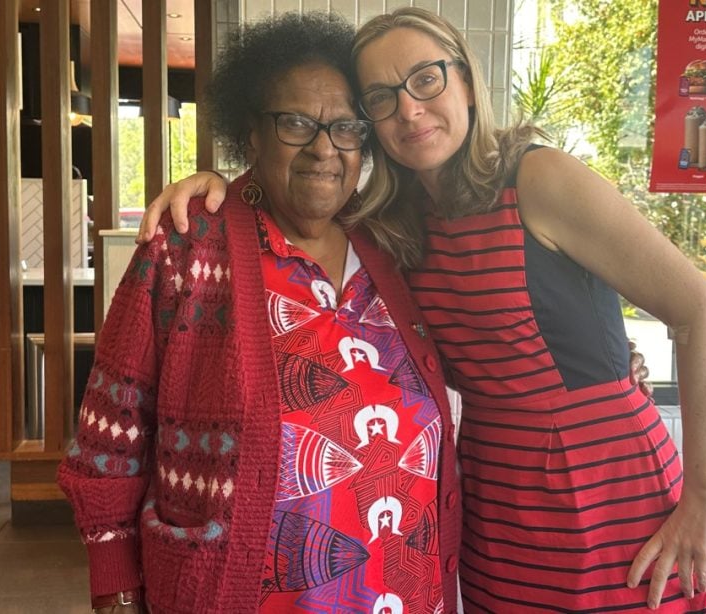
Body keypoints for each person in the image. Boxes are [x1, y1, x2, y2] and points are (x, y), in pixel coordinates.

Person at [140, 7, 706, 613]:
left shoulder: (537, 175)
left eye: (426, 80)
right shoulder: (389, 228)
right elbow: (295, 187)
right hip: (493, 501)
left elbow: (701, 313)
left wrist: (705, 498)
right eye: (381, 97)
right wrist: (213, 181)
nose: (409, 110)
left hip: (603, 487)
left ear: (467, 82)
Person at [58, 13, 463, 613]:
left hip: (401, 595)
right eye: (296, 123)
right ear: (252, 133)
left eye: (346, 127)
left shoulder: (393, 250)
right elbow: (107, 439)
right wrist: (114, 587)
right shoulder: (188, 245)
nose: (325, 148)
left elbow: (488, 332)